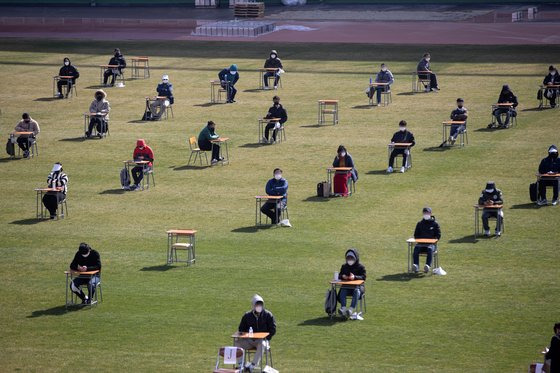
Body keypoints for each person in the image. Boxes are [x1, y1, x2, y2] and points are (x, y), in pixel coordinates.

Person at [235, 294, 276, 372]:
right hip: (249, 340)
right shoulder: (247, 316)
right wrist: (245, 335)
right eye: (257, 304)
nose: (259, 306)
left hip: (262, 341)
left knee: (263, 344)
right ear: (253, 305)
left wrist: (266, 338)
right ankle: (241, 365)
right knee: (237, 341)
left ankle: (252, 366)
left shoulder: (268, 315)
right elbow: (241, 329)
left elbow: (273, 329)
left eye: (260, 304)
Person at [337, 248, 366, 320]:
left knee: (357, 291)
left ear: (355, 258)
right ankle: (343, 308)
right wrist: (343, 276)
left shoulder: (361, 267)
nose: (349, 259)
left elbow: (363, 277)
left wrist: (354, 277)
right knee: (343, 289)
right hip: (347, 287)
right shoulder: (344, 266)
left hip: (358, 287)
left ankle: (350, 309)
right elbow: (339, 275)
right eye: (348, 258)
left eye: (351, 258)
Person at [412, 207, 441, 273]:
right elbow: (416, 235)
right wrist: (420, 240)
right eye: (424, 213)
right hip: (421, 244)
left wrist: (433, 241)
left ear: (430, 213)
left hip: (431, 245)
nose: (426, 214)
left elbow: (438, 235)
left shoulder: (435, 224)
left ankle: (427, 266)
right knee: (416, 248)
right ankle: (416, 266)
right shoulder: (419, 224)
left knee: (430, 249)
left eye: (427, 213)